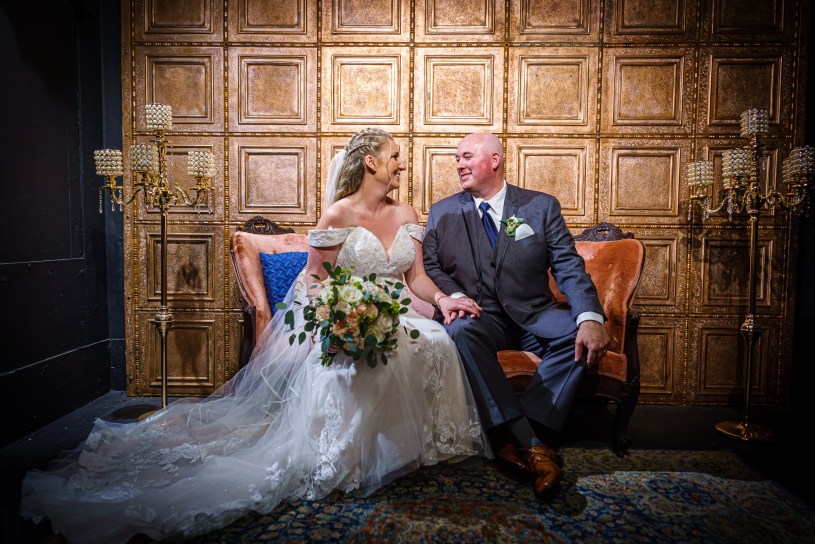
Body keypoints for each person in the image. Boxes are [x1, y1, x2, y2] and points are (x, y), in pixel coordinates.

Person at [20, 128, 488, 544]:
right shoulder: (337, 215)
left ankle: (415, 448)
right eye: (395, 156)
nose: (402, 164)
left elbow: (416, 278)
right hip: (352, 313)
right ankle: (356, 456)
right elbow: (316, 281)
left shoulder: (406, 211)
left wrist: (444, 299)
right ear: (372, 162)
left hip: (397, 311)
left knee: (435, 340)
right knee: (364, 360)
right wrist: (342, 316)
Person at [423, 131, 609, 497]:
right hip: (480, 316)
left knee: (578, 330)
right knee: (458, 330)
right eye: (457, 158)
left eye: (467, 156)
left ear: (494, 160)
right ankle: (534, 445)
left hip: (534, 315)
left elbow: (568, 265)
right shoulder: (443, 211)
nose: (459, 164)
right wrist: (455, 296)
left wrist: (590, 316)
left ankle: (517, 434)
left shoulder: (540, 206)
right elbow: (430, 265)